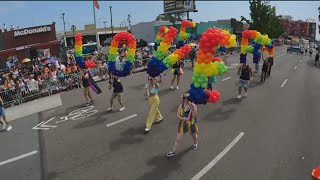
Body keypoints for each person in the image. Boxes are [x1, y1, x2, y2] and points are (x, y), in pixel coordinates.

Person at [167, 93, 198, 158]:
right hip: (183, 124)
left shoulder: (193, 105)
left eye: (187, 98)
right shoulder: (181, 106)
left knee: (193, 135)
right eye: (184, 98)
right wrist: (183, 118)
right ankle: (173, 151)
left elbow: (195, 116)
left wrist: (193, 109)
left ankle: (195, 142)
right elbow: (178, 115)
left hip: (191, 124)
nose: (185, 100)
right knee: (178, 139)